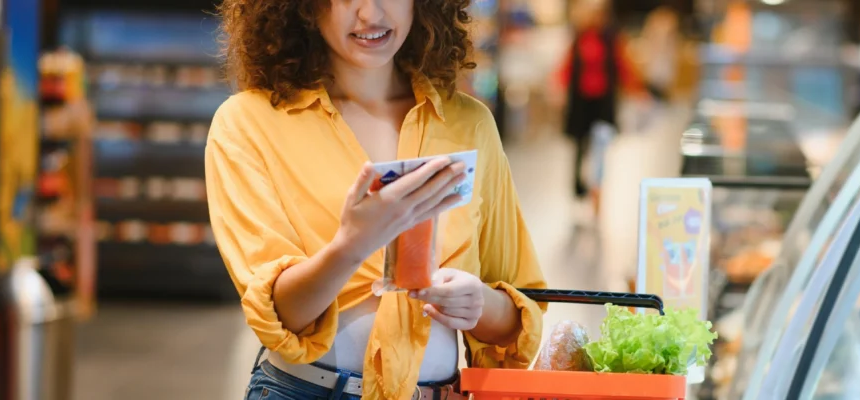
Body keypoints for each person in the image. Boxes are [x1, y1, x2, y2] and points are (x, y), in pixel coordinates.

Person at [208, 1, 547, 399]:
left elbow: (519, 313)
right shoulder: (248, 124)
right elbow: (282, 316)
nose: (371, 15)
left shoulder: (468, 124)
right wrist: (351, 244)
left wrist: (478, 304)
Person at [555, 0, 643, 203]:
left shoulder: (612, 39)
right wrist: (558, 87)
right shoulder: (579, 38)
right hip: (581, 102)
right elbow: (567, 66)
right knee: (579, 145)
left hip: (603, 102)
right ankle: (577, 184)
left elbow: (624, 66)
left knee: (600, 145)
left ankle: (597, 185)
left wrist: (638, 91)